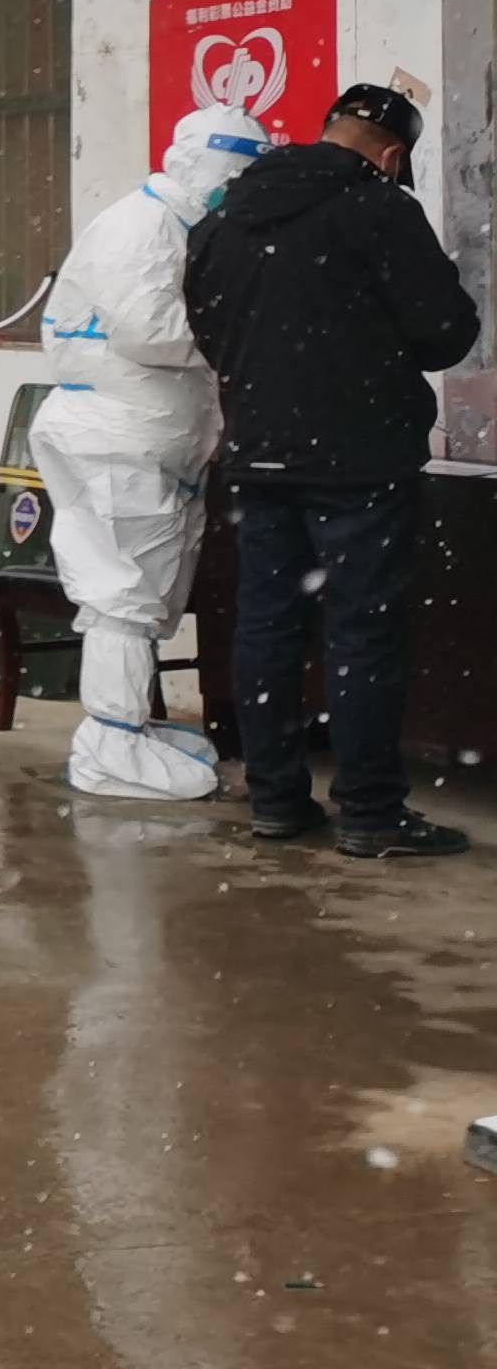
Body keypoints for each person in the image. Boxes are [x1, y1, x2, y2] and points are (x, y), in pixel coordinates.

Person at [184, 83, 480, 857]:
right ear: (390, 155)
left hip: (256, 456)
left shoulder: (224, 218)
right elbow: (446, 332)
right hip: (359, 460)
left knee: (266, 627)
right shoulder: (380, 208)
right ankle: (371, 815)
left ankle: (277, 800)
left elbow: (208, 324)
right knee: (362, 634)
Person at [28, 104, 271, 800]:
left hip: (149, 444)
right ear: (201, 162)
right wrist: (245, 328)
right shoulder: (141, 225)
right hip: (115, 441)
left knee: (148, 591)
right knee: (121, 596)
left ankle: (129, 726)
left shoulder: (186, 225)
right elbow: (150, 329)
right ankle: (108, 742)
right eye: (237, 171)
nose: (241, 187)